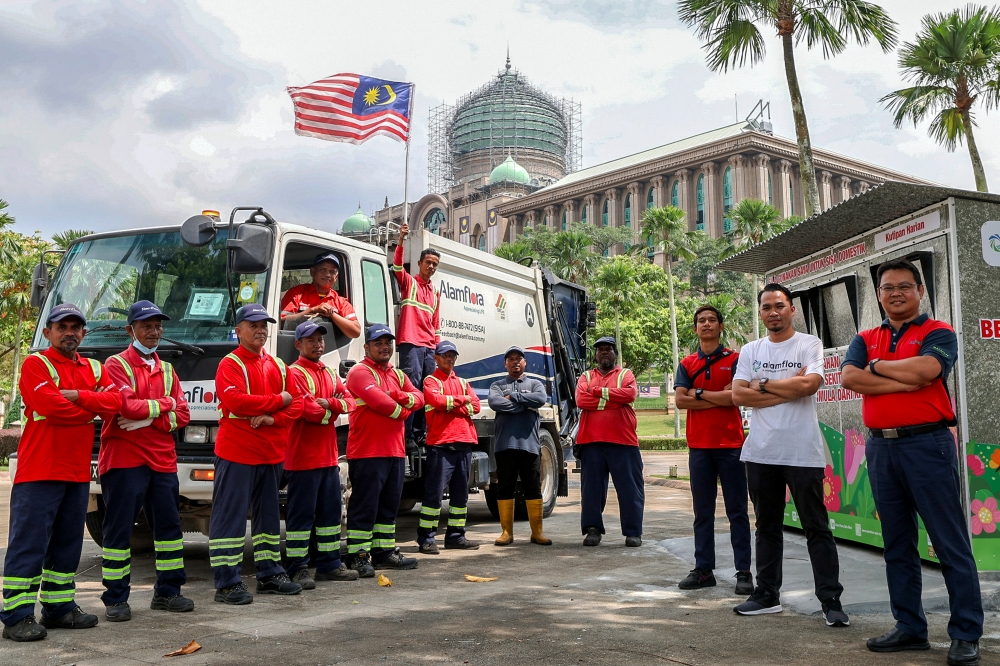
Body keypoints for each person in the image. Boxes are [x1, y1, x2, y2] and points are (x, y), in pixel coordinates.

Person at [842, 259, 982, 665]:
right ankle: (910, 628)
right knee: (897, 544)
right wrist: (905, 376)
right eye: (888, 287)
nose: (896, 292)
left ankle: (966, 633)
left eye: (905, 285)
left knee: (949, 541)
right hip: (881, 449)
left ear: (920, 291)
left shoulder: (938, 332)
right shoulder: (865, 336)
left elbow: (929, 368)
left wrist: (880, 368)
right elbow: (851, 378)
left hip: (928, 446)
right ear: (879, 295)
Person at [731, 283, 849, 627]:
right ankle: (767, 594)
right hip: (761, 453)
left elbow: (810, 385)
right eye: (766, 307)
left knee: (817, 528)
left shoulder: (809, 343)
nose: (773, 312)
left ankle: (830, 601)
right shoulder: (751, 350)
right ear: (761, 312)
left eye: (779, 305)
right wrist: (785, 387)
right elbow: (738, 395)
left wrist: (762, 385)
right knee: (766, 526)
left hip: (802, 453)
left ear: (791, 309)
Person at [2, 304, 121, 642]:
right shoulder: (35, 363)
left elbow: (116, 402)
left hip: (76, 472)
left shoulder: (95, 366)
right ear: (48, 332)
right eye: (62, 326)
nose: (69, 332)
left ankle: (58, 608)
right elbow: (51, 407)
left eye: (75, 327)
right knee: (29, 544)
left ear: (84, 332)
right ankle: (16, 616)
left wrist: (80, 398)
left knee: (68, 543)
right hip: (39, 471)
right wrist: (91, 406)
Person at [99, 301, 193, 622]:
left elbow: (183, 414)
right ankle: (115, 599)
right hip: (125, 461)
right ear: (130, 330)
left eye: (157, 326)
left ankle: (168, 593)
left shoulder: (167, 369)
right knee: (118, 532)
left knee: (169, 528)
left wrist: (147, 415)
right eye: (146, 326)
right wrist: (163, 406)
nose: (154, 332)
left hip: (162, 461)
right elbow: (126, 407)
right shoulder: (115, 364)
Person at [210, 304, 304, 605]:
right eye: (253, 324)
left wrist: (272, 417)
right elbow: (237, 402)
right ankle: (227, 583)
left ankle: (270, 574)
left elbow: (299, 403)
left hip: (271, 453)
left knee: (268, 518)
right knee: (230, 519)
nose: (261, 329)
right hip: (237, 452)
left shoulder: (277, 364)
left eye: (264, 324)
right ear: (238, 330)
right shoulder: (230, 364)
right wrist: (280, 399)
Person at [674, 305, 752, 595]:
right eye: (701, 321)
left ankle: (744, 572)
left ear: (721, 326)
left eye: (711, 320)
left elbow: (735, 397)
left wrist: (698, 393)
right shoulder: (687, 363)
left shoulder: (735, 359)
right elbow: (681, 401)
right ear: (695, 329)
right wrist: (717, 397)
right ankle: (704, 569)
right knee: (702, 512)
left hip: (731, 445)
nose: (706, 324)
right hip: (699, 448)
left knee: (738, 512)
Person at [344, 324, 425, 576]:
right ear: (366, 347)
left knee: (389, 506)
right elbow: (384, 405)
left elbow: (420, 398)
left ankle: (383, 553)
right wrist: (402, 407)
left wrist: (395, 395)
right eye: (378, 343)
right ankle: (358, 556)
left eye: (388, 342)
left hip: (395, 452)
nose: (384, 347)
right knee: (365, 507)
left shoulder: (397, 374)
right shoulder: (359, 372)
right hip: (368, 452)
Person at [283, 320, 358, 590]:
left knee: (329, 516)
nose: (318, 345)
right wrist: (332, 410)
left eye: (320, 340)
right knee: (300, 518)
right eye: (311, 340)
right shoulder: (294, 373)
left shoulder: (327, 371)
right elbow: (310, 411)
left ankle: (329, 565)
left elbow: (350, 401)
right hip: (302, 458)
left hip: (328, 458)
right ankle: (298, 568)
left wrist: (331, 405)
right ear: (298, 344)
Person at [574, 337, 643, 548]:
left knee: (630, 489)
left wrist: (596, 393)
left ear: (615, 353)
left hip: (623, 441)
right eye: (600, 350)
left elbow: (629, 394)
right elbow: (581, 400)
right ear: (596, 355)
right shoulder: (586, 376)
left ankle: (633, 533)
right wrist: (614, 400)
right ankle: (592, 530)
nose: (604, 352)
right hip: (591, 441)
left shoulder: (625, 374)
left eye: (608, 349)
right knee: (592, 490)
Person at [417, 340, 481, 554]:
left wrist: (453, 405)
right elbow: (436, 402)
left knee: (460, 496)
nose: (450, 358)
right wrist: (462, 402)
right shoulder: (430, 380)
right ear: (436, 358)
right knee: (433, 496)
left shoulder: (462, 381)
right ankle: (426, 539)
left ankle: (456, 536)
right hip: (441, 444)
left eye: (453, 355)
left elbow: (477, 406)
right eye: (445, 355)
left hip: (464, 443)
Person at [488, 346, 550, 546]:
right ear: (505, 364)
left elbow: (540, 399)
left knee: (533, 487)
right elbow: (494, 403)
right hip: (505, 445)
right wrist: (525, 405)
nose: (515, 362)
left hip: (529, 446)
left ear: (525, 363)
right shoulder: (497, 385)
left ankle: (537, 532)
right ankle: (507, 532)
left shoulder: (535, 383)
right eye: (511, 359)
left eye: (519, 359)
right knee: (505, 488)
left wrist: (514, 397)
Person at [392, 222, 441, 450]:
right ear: (420, 263)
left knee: (427, 390)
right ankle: (408, 434)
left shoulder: (434, 293)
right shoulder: (409, 283)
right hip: (410, 343)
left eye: (434, 264)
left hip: (429, 348)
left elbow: (436, 324)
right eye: (428, 263)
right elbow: (396, 267)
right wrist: (401, 240)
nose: (431, 267)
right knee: (411, 388)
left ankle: (421, 433)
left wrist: (438, 350)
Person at [280, 252, 361, 339]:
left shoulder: (341, 302)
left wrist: (331, 315)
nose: (327, 275)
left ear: (336, 277)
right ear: (312, 272)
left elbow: (356, 331)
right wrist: (312, 310)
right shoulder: (296, 294)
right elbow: (281, 322)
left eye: (332, 272)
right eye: (322, 270)